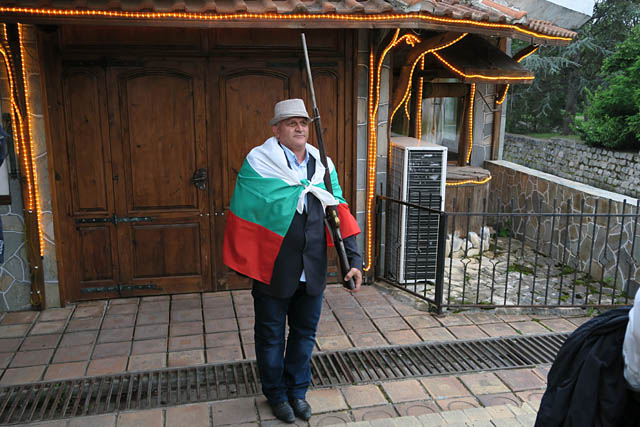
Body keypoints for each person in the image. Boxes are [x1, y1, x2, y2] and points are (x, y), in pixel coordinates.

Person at [223, 98, 363, 423]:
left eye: (303, 123)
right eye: (291, 123)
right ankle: (276, 395)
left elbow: (338, 210)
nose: (299, 128)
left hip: (312, 270)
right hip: (273, 270)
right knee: (270, 336)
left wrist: (353, 260)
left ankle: (297, 392)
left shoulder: (322, 165)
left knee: (304, 335)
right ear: (276, 129)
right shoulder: (259, 163)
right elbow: (246, 210)